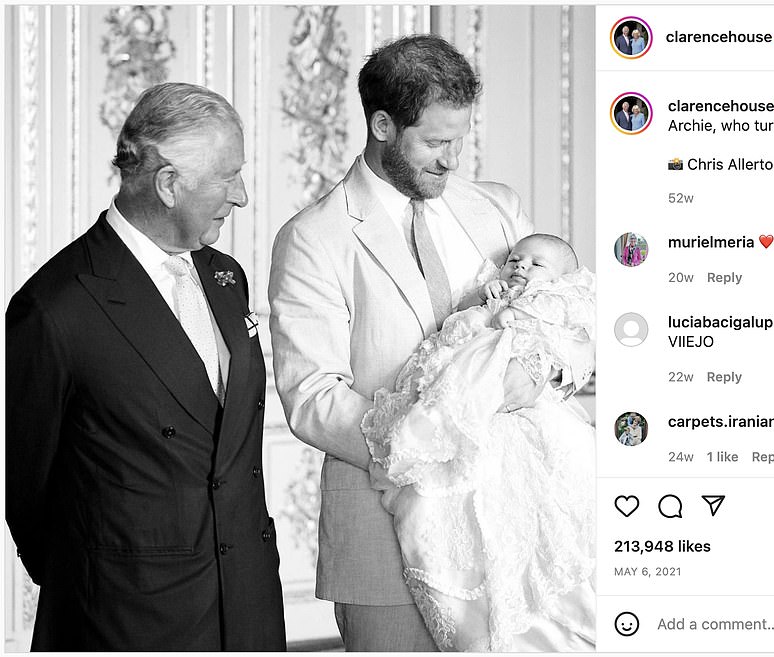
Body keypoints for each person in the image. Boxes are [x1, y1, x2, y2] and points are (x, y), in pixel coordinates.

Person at [269, 35, 594, 652]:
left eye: (459, 141)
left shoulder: (497, 209)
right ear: (383, 125)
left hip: (510, 525)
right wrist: (427, 439)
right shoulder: (313, 237)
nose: (451, 161)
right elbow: (311, 396)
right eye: (436, 144)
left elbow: (568, 315)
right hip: (380, 527)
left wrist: (544, 373)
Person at [4, 82, 286, 651]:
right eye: (228, 177)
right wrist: (104, 574)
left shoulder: (226, 277)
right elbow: (28, 490)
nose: (243, 196)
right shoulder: (56, 306)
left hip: (248, 603)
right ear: (168, 184)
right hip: (129, 615)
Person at [363, 233, 596, 651]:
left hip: (528, 412)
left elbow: (580, 341)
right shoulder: (315, 233)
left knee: (560, 489)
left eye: (534, 264)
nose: (520, 266)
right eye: (514, 260)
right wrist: (482, 301)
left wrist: (546, 366)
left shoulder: (503, 215)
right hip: (444, 406)